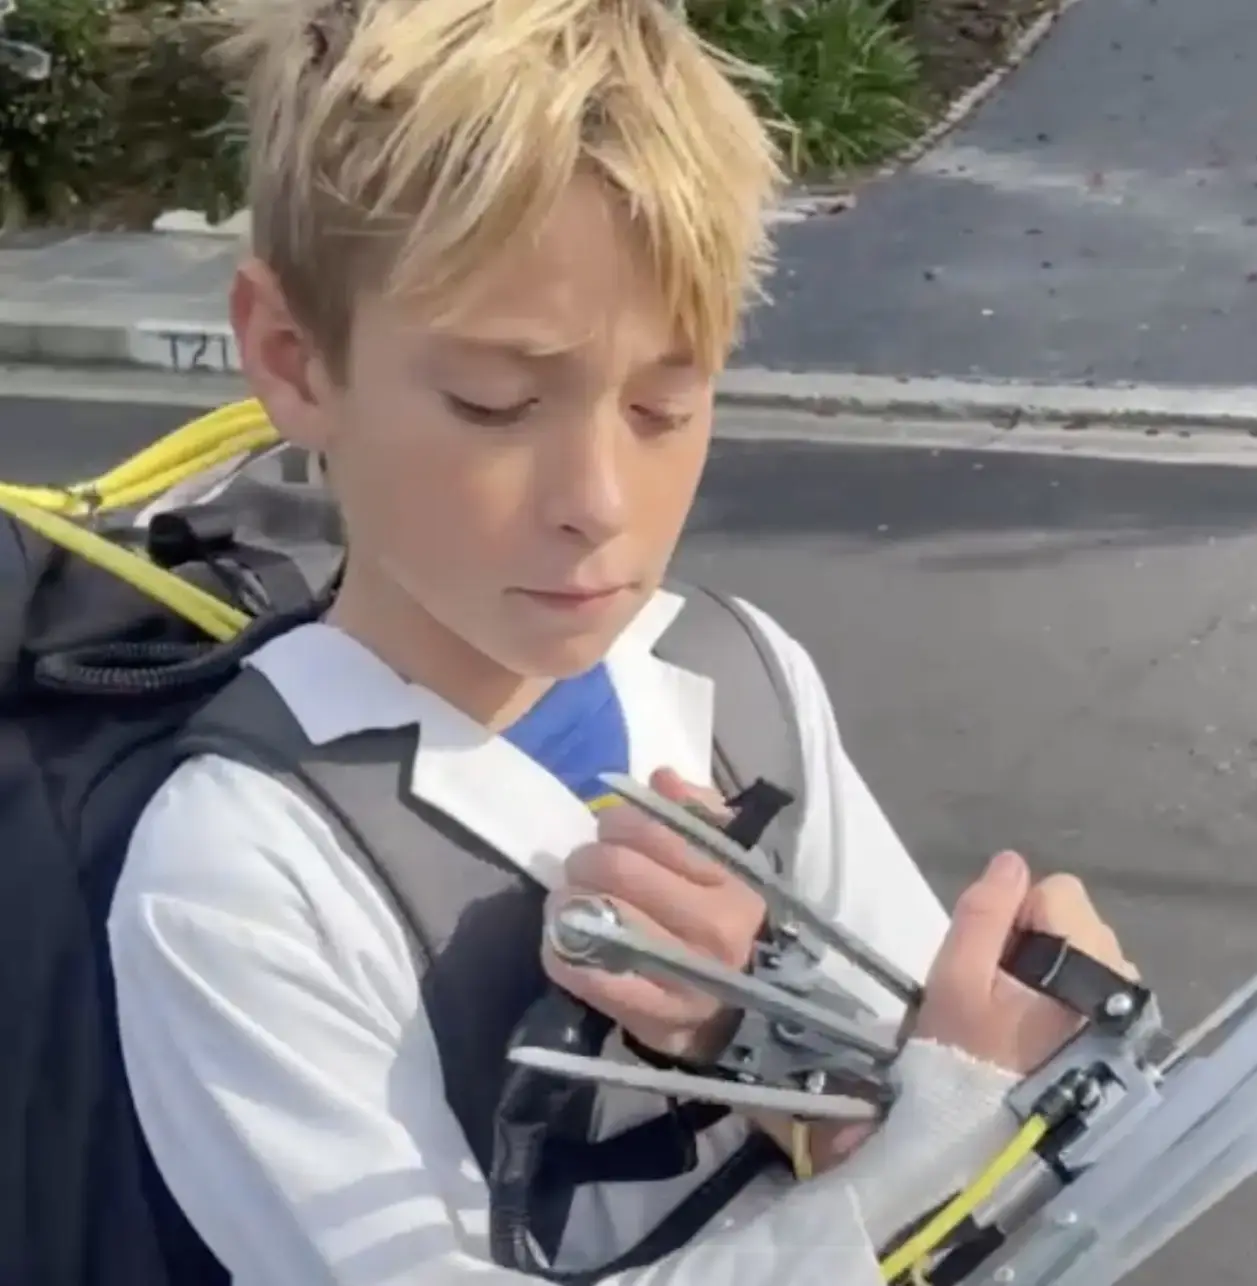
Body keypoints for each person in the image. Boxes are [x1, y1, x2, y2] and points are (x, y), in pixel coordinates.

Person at [106, 0, 1136, 1283]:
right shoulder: (240, 870)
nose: (597, 495)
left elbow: (894, 1080)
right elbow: (935, 1142)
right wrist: (953, 1146)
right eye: (496, 402)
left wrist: (785, 1033)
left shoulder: (736, 673)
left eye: (668, 399)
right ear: (293, 355)